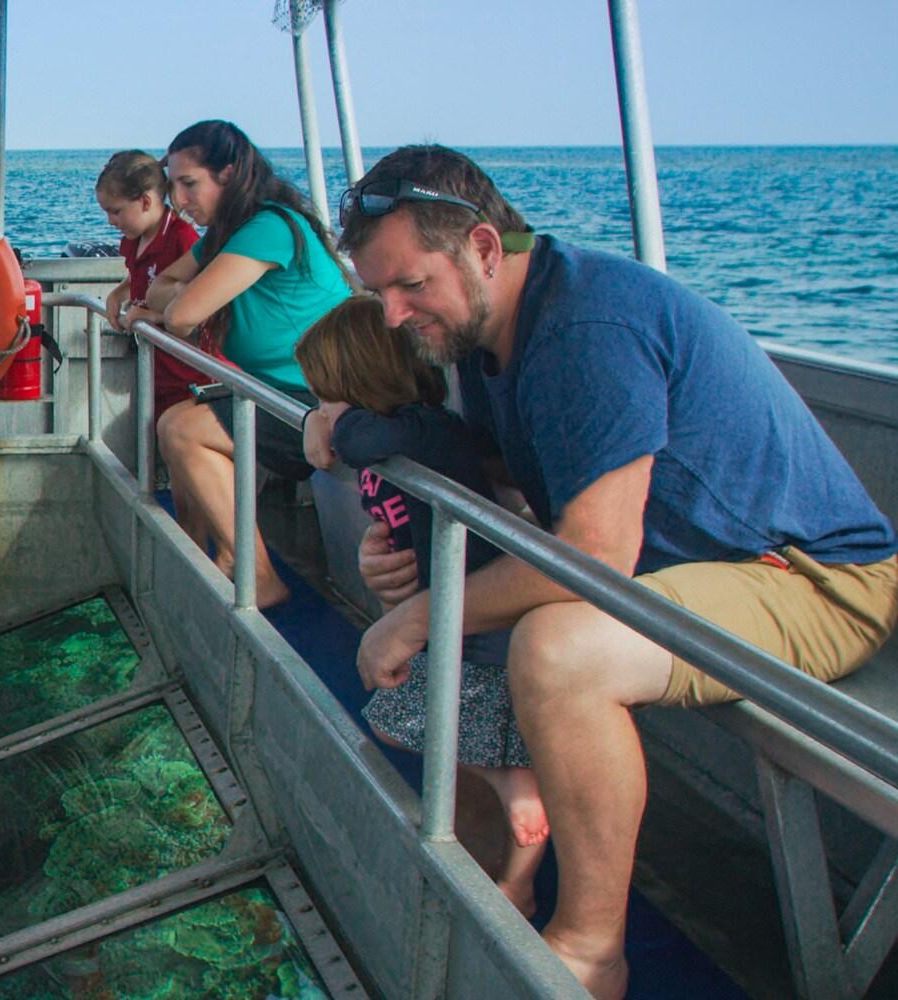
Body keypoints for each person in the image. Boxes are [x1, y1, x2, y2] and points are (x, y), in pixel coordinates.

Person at [340, 144, 898, 999]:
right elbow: (502, 490)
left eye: (409, 284)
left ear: (484, 249)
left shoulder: (588, 323)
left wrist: (416, 616)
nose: (390, 315)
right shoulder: (492, 340)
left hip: (813, 579)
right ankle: (490, 877)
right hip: (692, 571)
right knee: (486, 619)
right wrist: (405, 557)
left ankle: (593, 950)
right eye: (379, 292)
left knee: (558, 647)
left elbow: (596, 558)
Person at [296, 295, 548, 916]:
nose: (325, 412)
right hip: (444, 617)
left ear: (359, 385)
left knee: (455, 736)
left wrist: (330, 420)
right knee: (416, 722)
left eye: (326, 393)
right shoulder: (400, 434)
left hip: (480, 621)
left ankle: (515, 802)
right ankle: (514, 873)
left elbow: (355, 436)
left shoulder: (421, 429)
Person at [143, 120, 351, 607]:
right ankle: (200, 551)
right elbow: (162, 289)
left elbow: (182, 314)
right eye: (172, 185)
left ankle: (254, 572)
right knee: (174, 426)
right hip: (274, 392)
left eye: (189, 183)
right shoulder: (226, 234)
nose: (179, 199)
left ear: (230, 174)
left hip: (321, 397)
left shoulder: (270, 227)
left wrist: (179, 302)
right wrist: (176, 300)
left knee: (181, 429)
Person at [96, 150, 211, 420]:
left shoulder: (183, 240)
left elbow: (207, 313)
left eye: (116, 211)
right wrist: (119, 292)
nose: (110, 221)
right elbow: (142, 274)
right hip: (156, 372)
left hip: (191, 376)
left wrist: (153, 318)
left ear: (146, 201)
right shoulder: (135, 237)